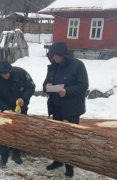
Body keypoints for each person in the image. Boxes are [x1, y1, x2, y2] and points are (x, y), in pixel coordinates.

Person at [42, 42, 89, 178]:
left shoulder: (78, 65)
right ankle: (57, 160)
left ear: (62, 54)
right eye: (52, 56)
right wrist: (47, 86)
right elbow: (45, 84)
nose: (54, 58)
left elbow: (84, 85)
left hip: (72, 109)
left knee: (70, 138)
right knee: (57, 136)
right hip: (56, 107)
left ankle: (69, 166)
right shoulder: (53, 67)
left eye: (55, 55)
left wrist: (66, 91)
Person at [0, 59, 36, 168]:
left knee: (18, 131)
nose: (4, 76)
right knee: (5, 133)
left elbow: (31, 87)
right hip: (6, 110)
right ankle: (3, 158)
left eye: (6, 73)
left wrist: (24, 98)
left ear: (10, 71)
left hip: (21, 108)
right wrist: (5, 109)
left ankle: (16, 154)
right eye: (1, 74)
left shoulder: (21, 73)